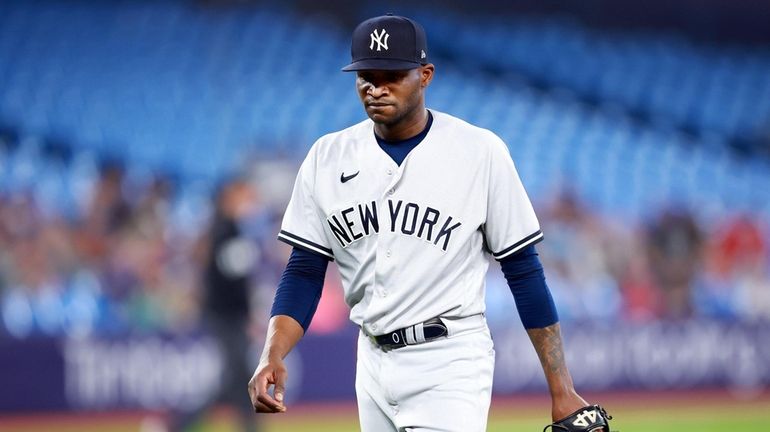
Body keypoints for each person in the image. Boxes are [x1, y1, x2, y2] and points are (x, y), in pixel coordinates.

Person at [248, 14, 604, 431]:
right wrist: (272, 353)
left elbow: (523, 270)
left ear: (425, 75)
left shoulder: (479, 152)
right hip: (372, 362)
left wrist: (560, 387)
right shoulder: (326, 158)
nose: (376, 88)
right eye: (366, 75)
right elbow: (304, 271)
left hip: (449, 358)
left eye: (392, 75)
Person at [171, 178, 261, 432]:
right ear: (229, 198)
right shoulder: (223, 230)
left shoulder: (230, 229)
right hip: (225, 316)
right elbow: (225, 282)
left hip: (231, 316)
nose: (248, 203)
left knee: (240, 376)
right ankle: (178, 424)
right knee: (236, 377)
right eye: (243, 196)